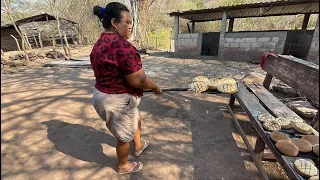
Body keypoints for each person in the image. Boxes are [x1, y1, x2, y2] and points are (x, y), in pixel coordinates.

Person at [90, 2, 163, 175]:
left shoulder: (99, 44)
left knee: (135, 118)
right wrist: (154, 87)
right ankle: (123, 166)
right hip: (117, 102)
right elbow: (138, 80)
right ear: (115, 23)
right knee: (123, 137)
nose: (130, 26)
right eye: (127, 22)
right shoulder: (122, 46)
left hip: (103, 95)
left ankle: (138, 146)